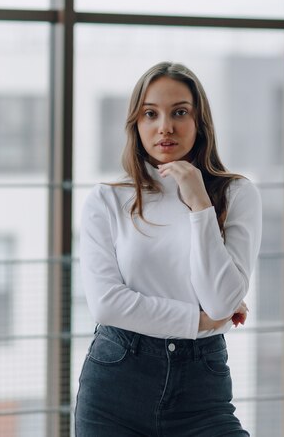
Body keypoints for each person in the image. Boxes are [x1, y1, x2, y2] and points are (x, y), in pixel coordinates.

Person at [75, 61, 262, 437]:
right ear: (136, 125)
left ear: (200, 123)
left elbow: (222, 301)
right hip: (115, 386)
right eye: (150, 114)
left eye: (180, 112)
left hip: (201, 391)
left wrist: (199, 204)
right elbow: (107, 304)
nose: (165, 127)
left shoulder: (237, 193)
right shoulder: (107, 200)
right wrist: (200, 321)